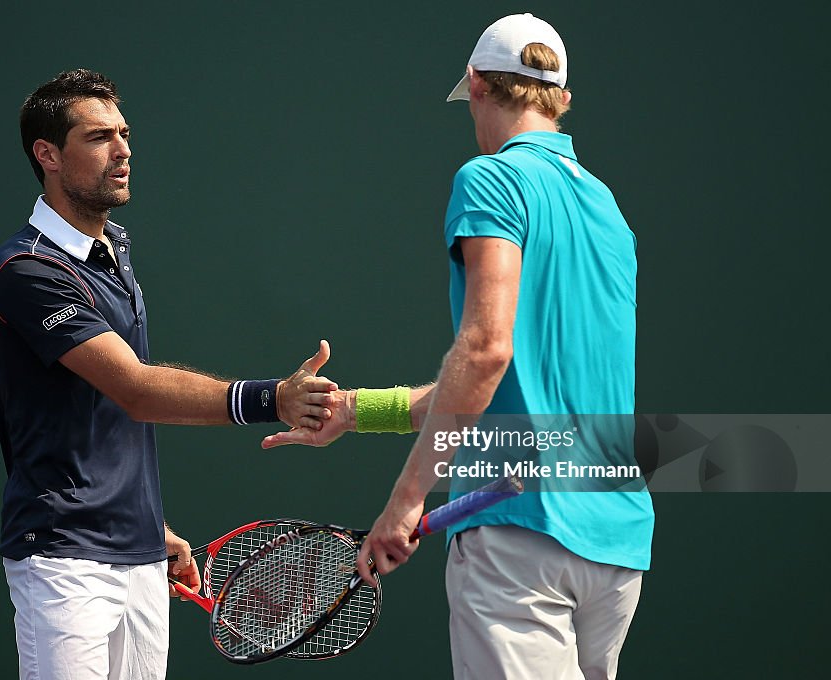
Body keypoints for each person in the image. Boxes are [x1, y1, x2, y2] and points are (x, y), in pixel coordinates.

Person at [263, 14, 653, 680]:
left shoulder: (490, 181)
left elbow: (485, 353)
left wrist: (407, 497)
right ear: (561, 99)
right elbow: (511, 388)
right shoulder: (608, 209)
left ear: (476, 85)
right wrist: (358, 409)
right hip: (615, 541)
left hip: (519, 537)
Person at [0, 69, 336, 680]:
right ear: (48, 155)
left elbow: (98, 420)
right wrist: (270, 398)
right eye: (98, 137)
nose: (123, 151)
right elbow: (135, 390)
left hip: (139, 555)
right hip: (65, 560)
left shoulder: (112, 252)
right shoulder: (27, 271)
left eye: (124, 133)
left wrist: (148, 524)